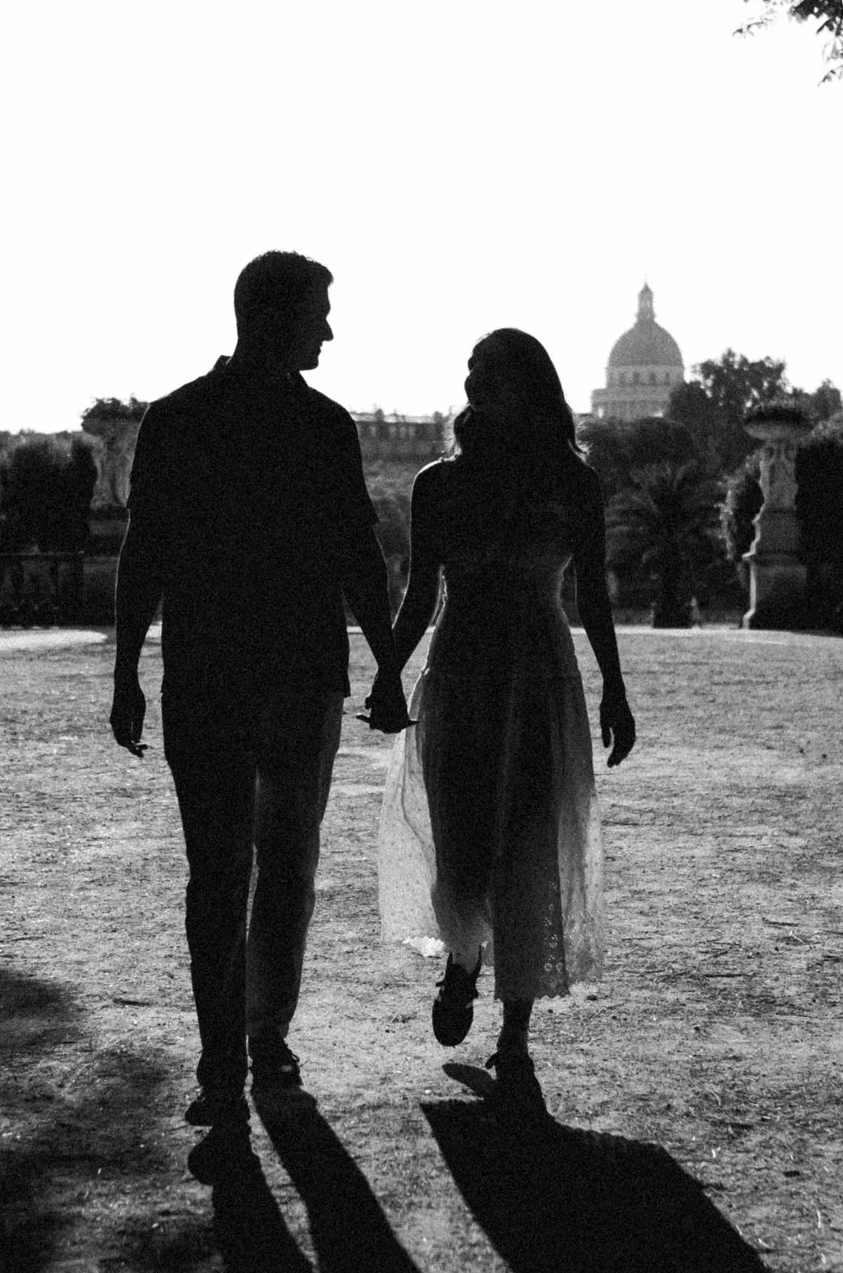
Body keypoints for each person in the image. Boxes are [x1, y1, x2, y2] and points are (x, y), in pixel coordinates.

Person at [111, 250, 411, 1138]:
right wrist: (389, 661)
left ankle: (223, 1060)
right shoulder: (323, 427)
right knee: (284, 869)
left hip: (205, 673)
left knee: (221, 874)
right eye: (320, 311)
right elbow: (359, 553)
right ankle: (261, 1037)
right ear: (278, 316)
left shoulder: (176, 420)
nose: (329, 327)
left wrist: (127, 669)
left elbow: (144, 555)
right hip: (298, 673)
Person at [376, 328, 634, 1114]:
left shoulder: (572, 483)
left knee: (527, 849)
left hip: (534, 675)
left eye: (486, 371)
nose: (470, 381)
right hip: (462, 674)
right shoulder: (437, 484)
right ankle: (462, 960)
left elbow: (590, 596)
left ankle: (514, 1037)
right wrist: (388, 673)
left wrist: (616, 688)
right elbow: (419, 595)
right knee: (460, 842)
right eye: (470, 371)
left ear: (525, 384)